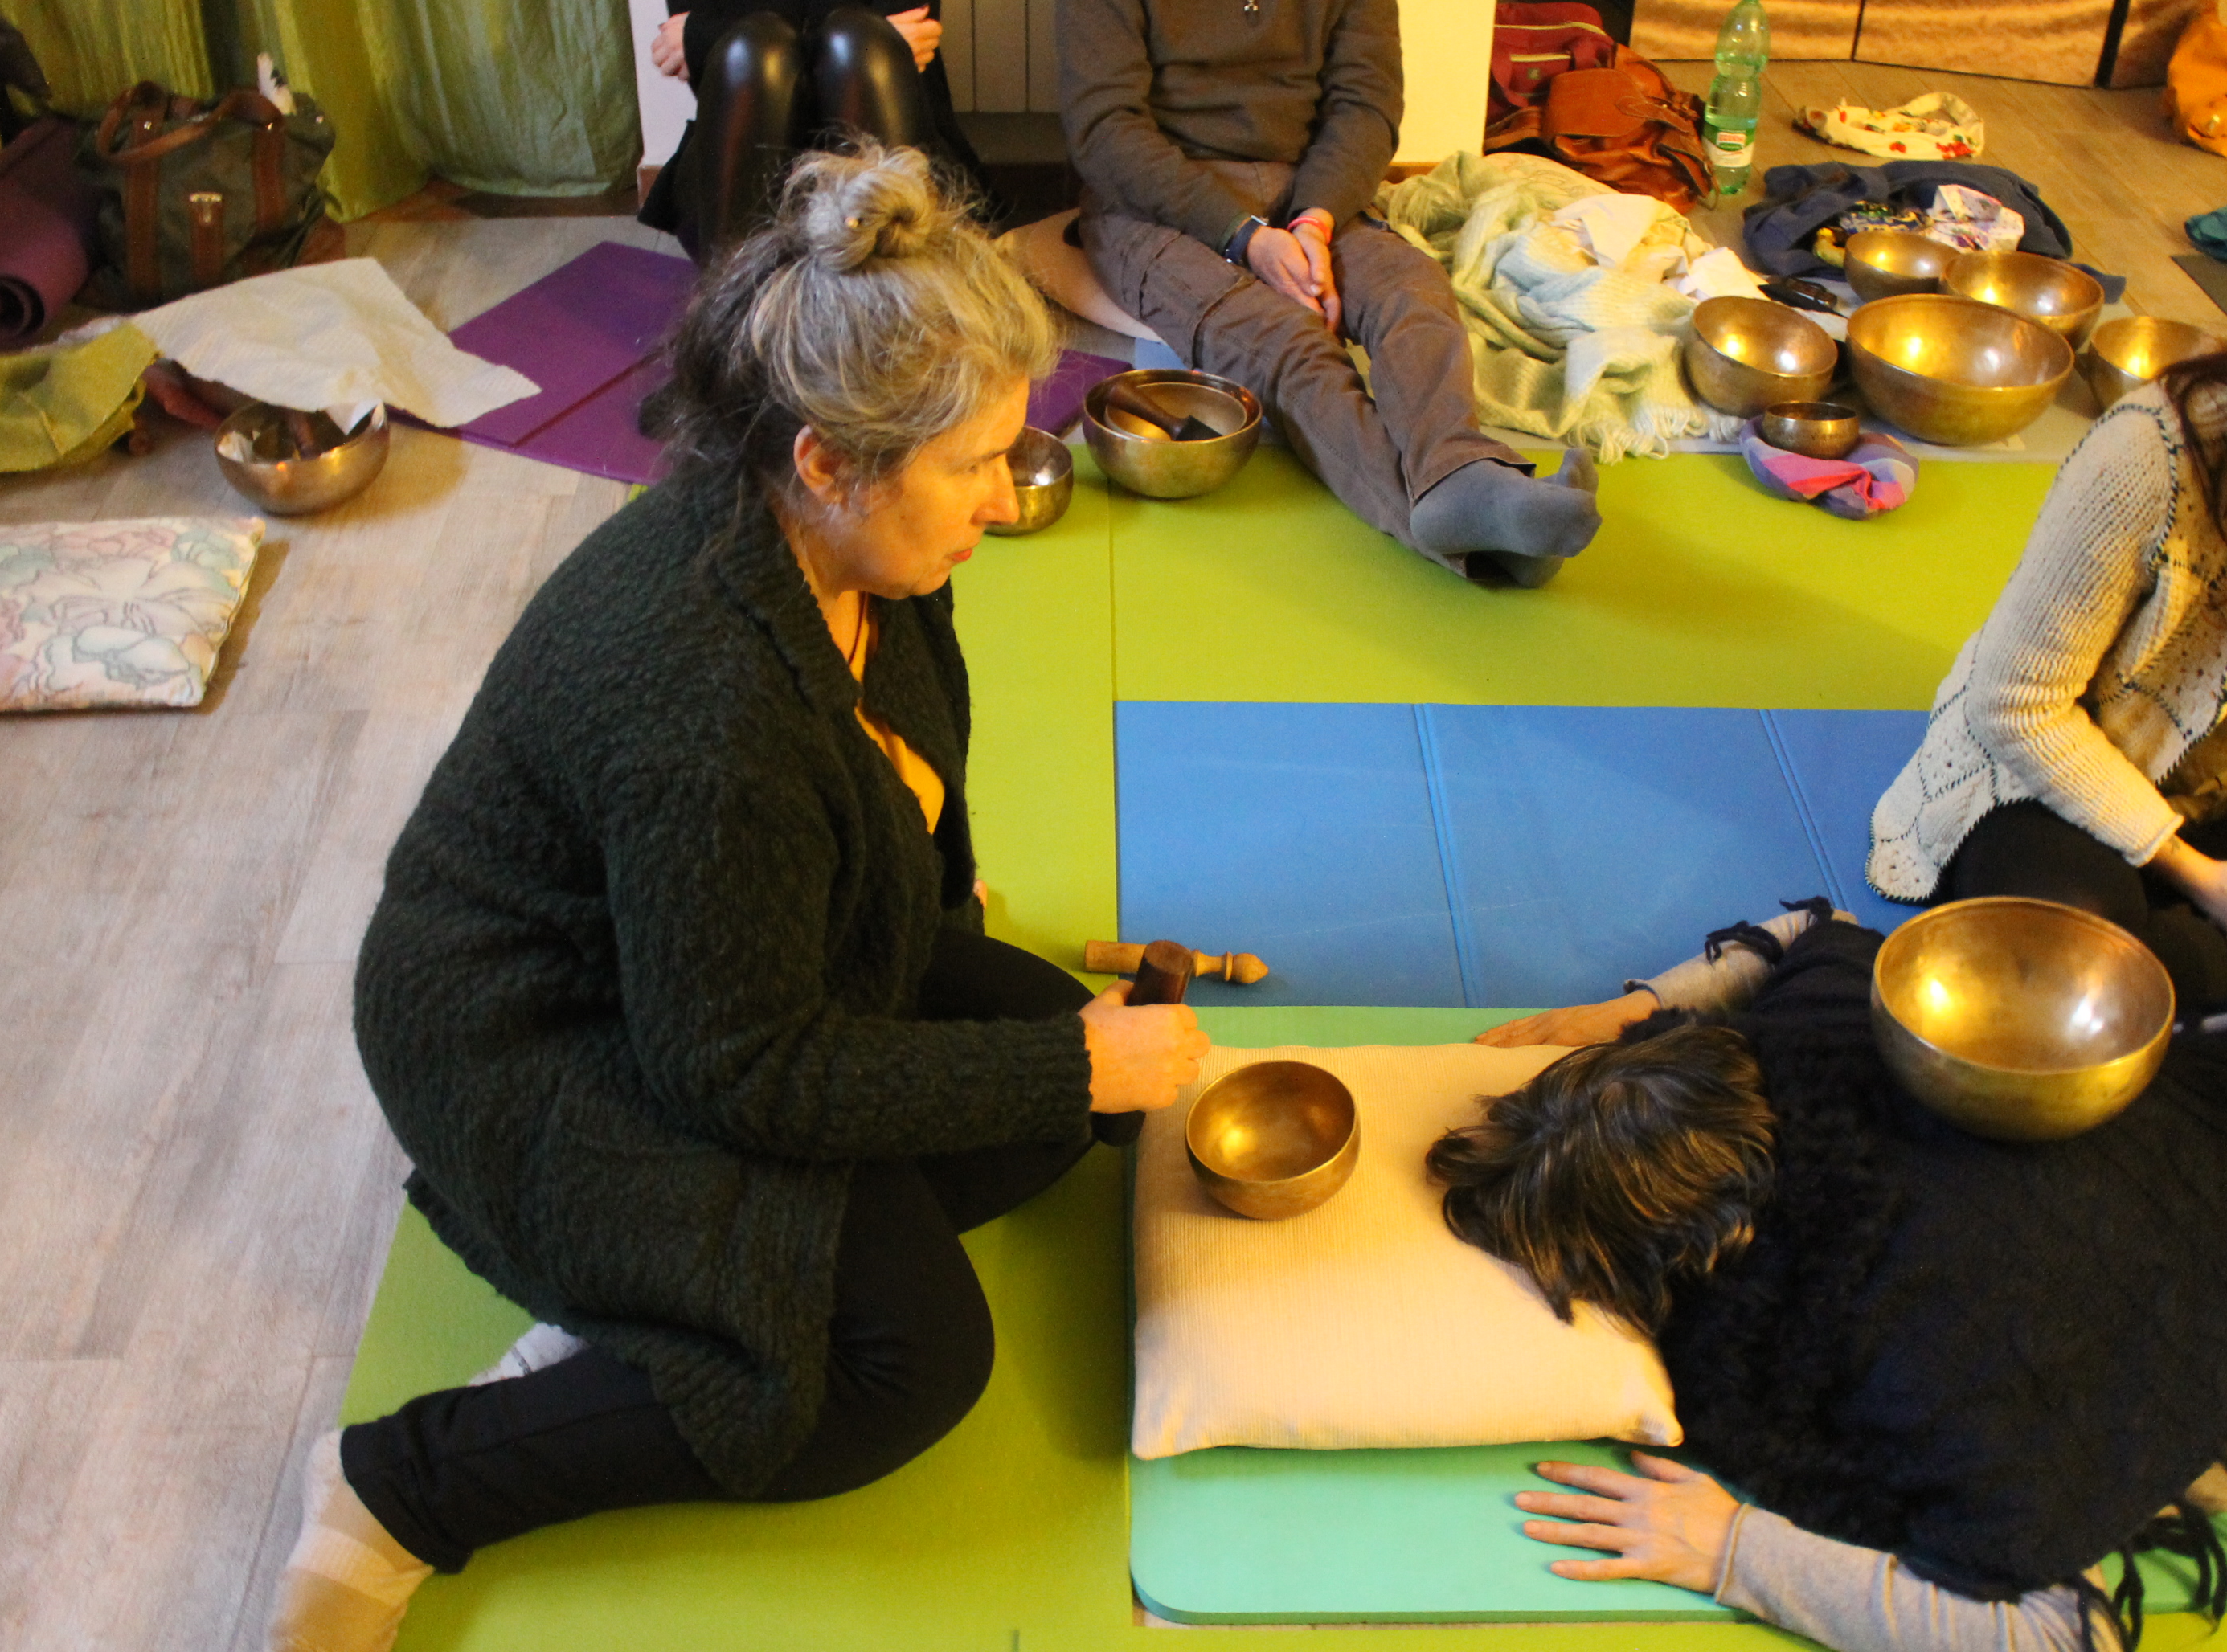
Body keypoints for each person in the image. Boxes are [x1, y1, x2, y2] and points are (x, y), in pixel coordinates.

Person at [264, 145, 1208, 1652]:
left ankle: (706, 1281)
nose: (1007, 492)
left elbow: (901, 787)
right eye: (974, 463)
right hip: (540, 1041)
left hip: (725, 962)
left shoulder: (856, 546)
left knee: (1048, 1096)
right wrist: (1068, 1063)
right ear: (830, 462)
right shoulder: (711, 713)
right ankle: (406, 1488)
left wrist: (996, 979)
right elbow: (737, 1069)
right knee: (909, 1363)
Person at [1455, 906, 2227, 1652]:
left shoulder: (1921, 1339)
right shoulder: (1819, 1029)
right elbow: (1814, 926)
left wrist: (1732, 1552)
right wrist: (1631, 1010)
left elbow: (2056, 1632)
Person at [1866, 172, 2227, 1011]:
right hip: (2057, 782)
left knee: (2216, 964)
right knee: (2078, 971)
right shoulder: (2153, 453)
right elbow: (2016, 704)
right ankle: (2223, 966)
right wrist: (2189, 869)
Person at [1058, 0, 1602, 587]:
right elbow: (1104, 129)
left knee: (1411, 292)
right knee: (1285, 340)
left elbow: (1366, 103)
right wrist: (1244, 238)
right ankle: (1481, 528)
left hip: (1305, 185)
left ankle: (1458, 467)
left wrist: (1315, 221)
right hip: (1152, 202)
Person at [637, 2, 1001, 256]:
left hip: (892, 141)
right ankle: (737, 316)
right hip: (751, 160)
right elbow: (723, 66)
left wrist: (712, 30)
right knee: (757, 55)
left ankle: (893, 308)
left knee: (859, 49)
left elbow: (898, 31)